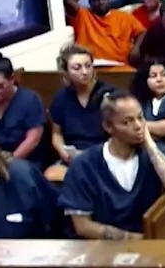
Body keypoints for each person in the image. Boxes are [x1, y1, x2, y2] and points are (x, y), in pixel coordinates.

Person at [58, 92, 165, 239]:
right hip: (103, 246)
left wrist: (149, 143)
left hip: (152, 242)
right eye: (127, 122)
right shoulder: (84, 165)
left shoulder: (154, 154)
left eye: (140, 118)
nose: (138, 126)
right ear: (108, 127)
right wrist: (134, 240)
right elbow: (83, 226)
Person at [48, 45, 118, 174]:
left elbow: (119, 133)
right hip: (73, 156)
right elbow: (57, 134)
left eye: (88, 66)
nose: (85, 72)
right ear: (66, 72)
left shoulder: (109, 94)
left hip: (102, 154)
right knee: (52, 175)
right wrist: (63, 152)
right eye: (77, 68)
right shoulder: (61, 97)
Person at [0, 52, 47, 164]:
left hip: (24, 161)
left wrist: (6, 163)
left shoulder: (29, 100)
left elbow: (33, 139)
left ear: (11, 78)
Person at [64, 0, 146, 66]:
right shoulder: (83, 15)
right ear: (90, 2)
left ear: (108, 0)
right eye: (96, 0)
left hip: (120, 64)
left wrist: (136, 49)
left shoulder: (124, 17)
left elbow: (142, 32)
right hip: (90, 65)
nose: (101, 2)